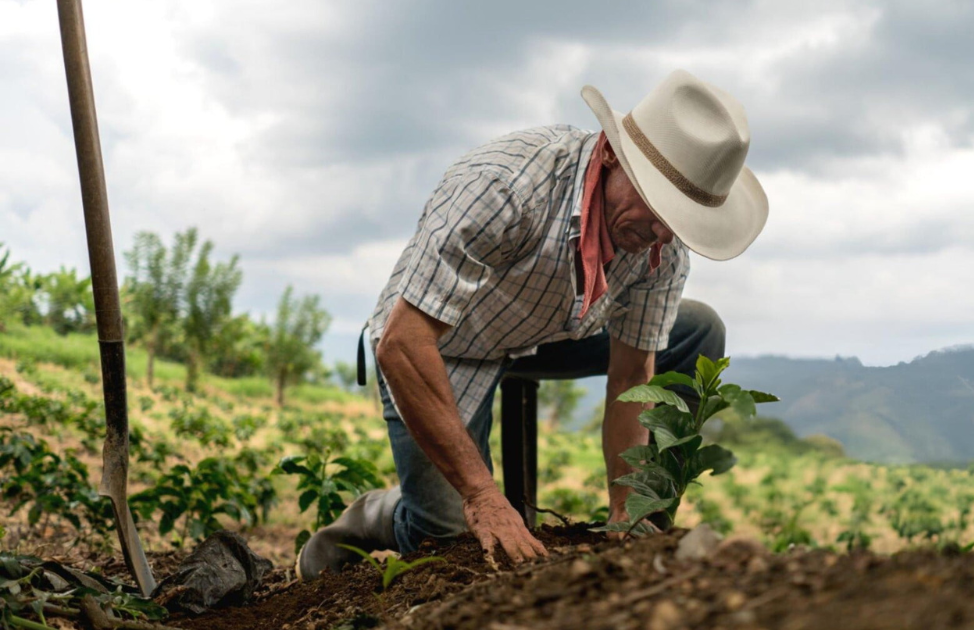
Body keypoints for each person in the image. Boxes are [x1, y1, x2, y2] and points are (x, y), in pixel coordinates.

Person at [296, 69, 769, 579]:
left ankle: (646, 524)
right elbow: (403, 342)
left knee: (698, 330)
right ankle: (377, 514)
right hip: (443, 342)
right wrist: (482, 495)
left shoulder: (659, 245)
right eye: (657, 208)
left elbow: (633, 377)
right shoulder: (505, 187)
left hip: (549, 331)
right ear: (611, 155)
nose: (661, 234)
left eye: (677, 221)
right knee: (450, 536)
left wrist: (626, 513)